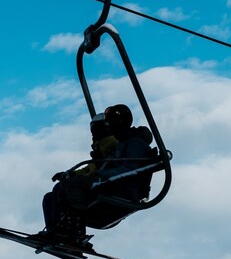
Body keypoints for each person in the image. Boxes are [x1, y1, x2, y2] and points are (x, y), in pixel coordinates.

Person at [41, 103, 160, 241]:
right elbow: (98, 166)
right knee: (50, 197)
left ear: (119, 123)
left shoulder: (135, 143)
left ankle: (73, 234)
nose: (109, 127)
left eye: (110, 123)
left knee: (71, 186)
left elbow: (132, 170)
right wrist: (73, 174)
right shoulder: (121, 144)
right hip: (112, 187)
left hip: (123, 191)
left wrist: (102, 177)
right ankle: (55, 232)